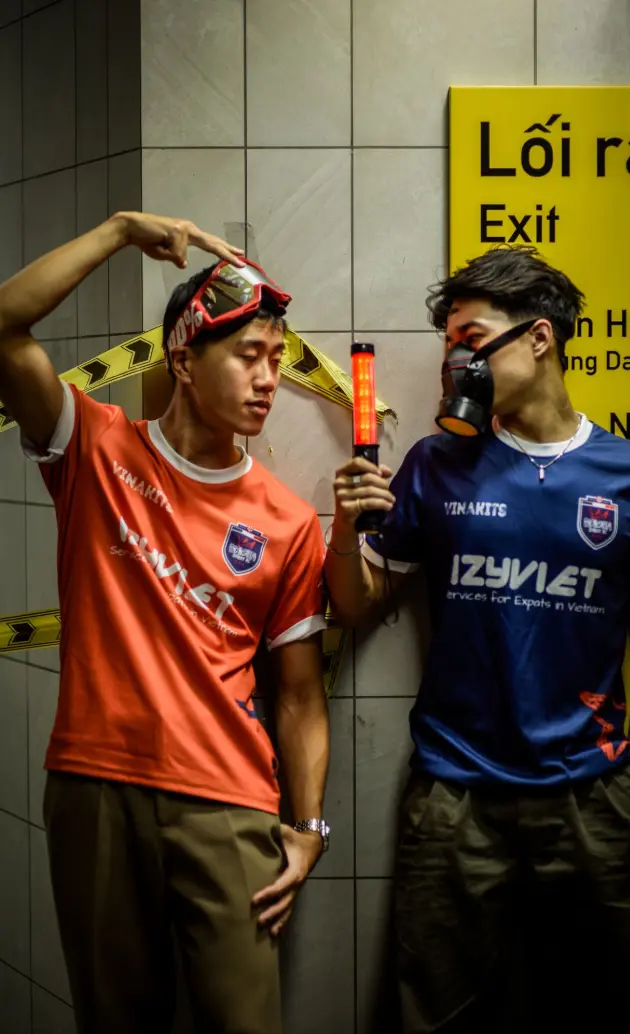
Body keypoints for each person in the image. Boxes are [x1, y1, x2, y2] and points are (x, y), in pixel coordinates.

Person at [325, 245, 630, 1034]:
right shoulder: (437, 464)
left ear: (540, 338)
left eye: (471, 338)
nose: (458, 361)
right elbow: (357, 608)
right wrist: (344, 533)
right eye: (449, 345)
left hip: (592, 798)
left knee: (612, 1011)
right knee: (437, 1013)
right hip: (455, 799)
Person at [0, 211, 332, 1034]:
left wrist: (310, 826)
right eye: (249, 356)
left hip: (228, 803)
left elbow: (300, 696)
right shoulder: (97, 449)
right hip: (95, 784)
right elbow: (5, 327)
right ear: (183, 358)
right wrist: (116, 233)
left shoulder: (289, 522)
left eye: (277, 360)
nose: (268, 379)